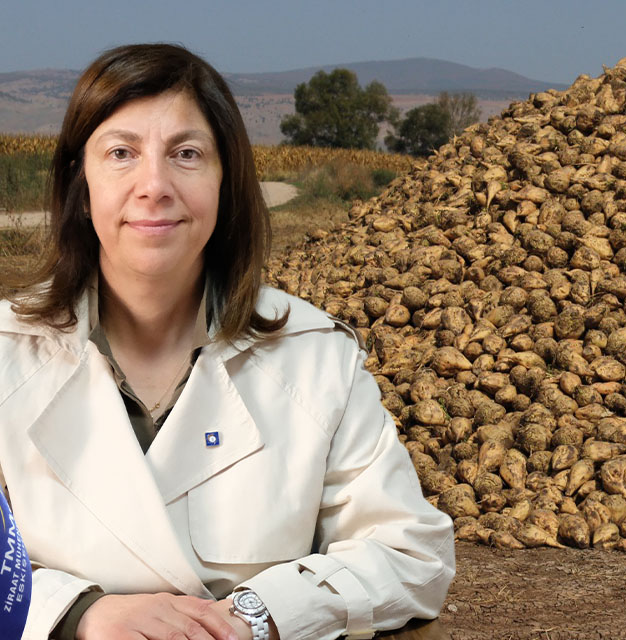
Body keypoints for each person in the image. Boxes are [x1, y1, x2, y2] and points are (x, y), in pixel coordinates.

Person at [0, 43, 455, 640]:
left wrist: (260, 614)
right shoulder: (8, 352)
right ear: (80, 183)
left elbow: (411, 557)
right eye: (120, 153)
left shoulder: (316, 357)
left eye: (186, 154)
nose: (154, 185)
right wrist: (78, 613)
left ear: (226, 181)